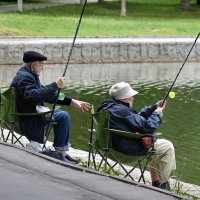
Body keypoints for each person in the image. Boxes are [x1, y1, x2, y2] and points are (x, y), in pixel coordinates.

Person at [11, 51, 90, 163]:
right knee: (63, 116)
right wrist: (55, 85)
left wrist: (71, 101)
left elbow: (47, 95)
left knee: (63, 115)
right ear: (33, 65)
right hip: (29, 118)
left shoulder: (27, 74)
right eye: (40, 65)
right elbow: (34, 96)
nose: (42, 68)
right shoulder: (26, 78)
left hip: (30, 114)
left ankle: (60, 152)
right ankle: (59, 152)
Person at [97, 82, 176, 190]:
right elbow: (148, 127)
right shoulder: (121, 111)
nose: (133, 98)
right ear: (125, 98)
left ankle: (156, 182)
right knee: (167, 146)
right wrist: (157, 115)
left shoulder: (107, 107)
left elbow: (133, 119)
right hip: (125, 151)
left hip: (108, 147)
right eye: (131, 96)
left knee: (156, 145)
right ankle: (163, 185)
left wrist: (153, 108)